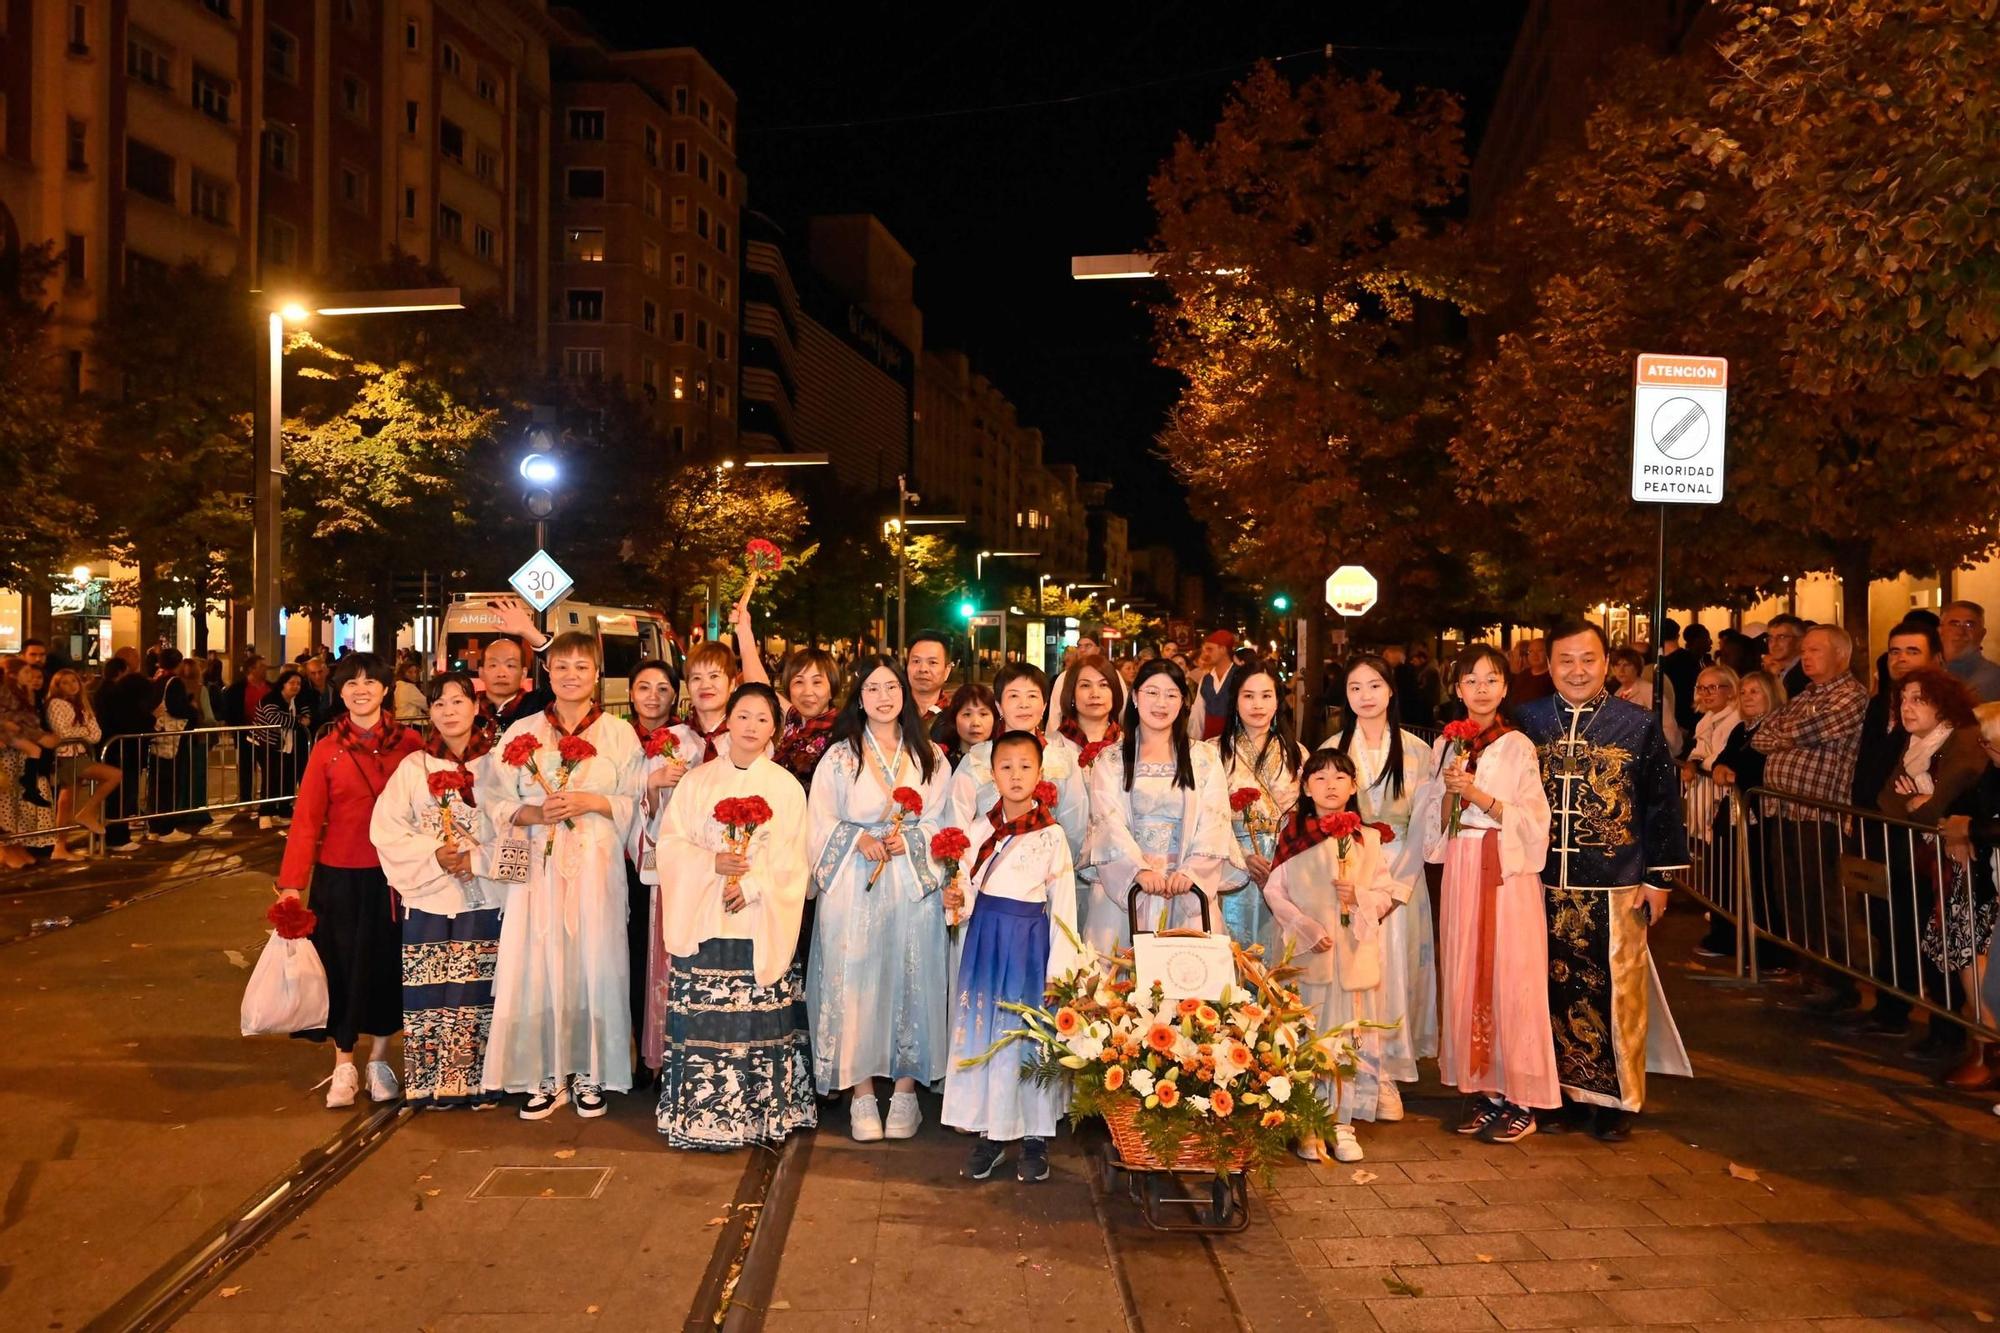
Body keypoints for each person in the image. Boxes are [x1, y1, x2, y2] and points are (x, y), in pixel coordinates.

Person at [1515, 622, 1691, 1141]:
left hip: (1615, 883)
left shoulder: (1636, 725)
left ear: (1607, 662)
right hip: (1541, 883)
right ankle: (1562, 1094)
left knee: (1618, 992)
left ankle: (1619, 1100)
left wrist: (1659, 879)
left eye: (1588, 659)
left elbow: (1662, 805)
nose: (1577, 670)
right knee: (1550, 990)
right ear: (1548, 665)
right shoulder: (1527, 721)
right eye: (1565, 660)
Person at [480, 632, 643, 1119]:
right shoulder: (523, 731)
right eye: (562, 666)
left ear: (597, 674)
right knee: (540, 960)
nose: (571, 675)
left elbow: (639, 802)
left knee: (596, 960)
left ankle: (592, 1069)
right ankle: (545, 1070)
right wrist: (532, 814)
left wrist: (592, 802)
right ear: (547, 673)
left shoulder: (618, 734)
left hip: (596, 868)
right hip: (540, 871)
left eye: (581, 666)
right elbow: (491, 795)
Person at [653, 682, 817, 1150]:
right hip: (706, 916)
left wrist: (751, 883)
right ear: (729, 719)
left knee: (756, 1022)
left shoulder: (785, 787)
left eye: (762, 719)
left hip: (757, 917)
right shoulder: (698, 780)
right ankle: (701, 1119)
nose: (751, 726)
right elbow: (671, 844)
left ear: (775, 729)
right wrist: (712, 864)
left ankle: (762, 1118)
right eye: (743, 715)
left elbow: (793, 860)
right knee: (708, 1022)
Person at [1413, 645, 1556, 1144]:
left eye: (1490, 680)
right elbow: (1433, 826)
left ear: (1504, 687)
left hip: (1505, 867)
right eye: (1470, 681)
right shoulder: (1446, 746)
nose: (1480, 689)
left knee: (1510, 973)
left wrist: (1477, 795)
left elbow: (1536, 822)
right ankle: (1485, 1089)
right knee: (1468, 973)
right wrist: (1451, 792)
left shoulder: (1517, 746)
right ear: (1457, 689)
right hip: (1463, 866)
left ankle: (1524, 1095)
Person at [806, 655, 953, 1141]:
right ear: (859, 696)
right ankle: (862, 1092)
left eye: (892, 687)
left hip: (909, 883)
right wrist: (855, 838)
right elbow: (819, 819)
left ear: (904, 694)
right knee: (855, 983)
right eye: (873, 688)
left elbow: (939, 821)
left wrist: (910, 841)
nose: (884, 697)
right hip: (854, 881)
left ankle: (907, 1092)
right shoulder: (840, 756)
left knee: (912, 978)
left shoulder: (928, 755)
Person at [274, 653, 424, 1108]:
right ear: (340, 692)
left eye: (370, 682)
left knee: (384, 964)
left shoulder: (411, 744)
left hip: (394, 874)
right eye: (351, 683)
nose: (361, 690)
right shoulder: (326, 748)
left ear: (385, 690)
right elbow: (306, 819)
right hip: (338, 874)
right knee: (338, 966)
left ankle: (380, 1059)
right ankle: (343, 1063)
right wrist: (291, 885)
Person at [942, 730, 1081, 1183]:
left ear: (1040, 773)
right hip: (986, 942)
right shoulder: (980, 829)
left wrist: (1059, 968)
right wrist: (954, 901)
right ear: (992, 773)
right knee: (985, 1034)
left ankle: (1036, 1136)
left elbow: (1063, 906)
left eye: (1025, 766)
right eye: (1006, 766)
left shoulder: (1052, 835)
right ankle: (991, 1133)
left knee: (1027, 1037)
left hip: (1028, 947)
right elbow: (965, 890)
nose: (1016, 775)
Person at [368, 672, 505, 1110]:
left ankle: (474, 1081)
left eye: (458, 701)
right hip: (428, 893)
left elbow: (518, 827)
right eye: (439, 703)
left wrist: (476, 859)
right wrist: (434, 854)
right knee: (429, 988)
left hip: (485, 892)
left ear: (475, 706)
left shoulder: (499, 765)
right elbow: (386, 828)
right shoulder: (415, 767)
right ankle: (430, 1082)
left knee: (475, 988)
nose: (449, 711)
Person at [1262, 749, 1406, 1163]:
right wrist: (1307, 928)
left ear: (1353, 787)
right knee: (1307, 1036)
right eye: (1319, 778)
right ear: (1306, 787)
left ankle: (1340, 1121)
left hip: (1352, 959)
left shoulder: (1369, 838)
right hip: (1308, 957)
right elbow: (1276, 892)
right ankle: (1307, 1119)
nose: (1330, 786)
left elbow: (1384, 894)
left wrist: (1358, 896)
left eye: (1339, 778)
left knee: (1345, 1039)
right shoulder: (1293, 836)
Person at [1329, 654, 1440, 1120]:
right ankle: (1353, 1070)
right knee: (1355, 972)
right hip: (1351, 876)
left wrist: (1398, 889)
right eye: (1356, 688)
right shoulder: (1333, 747)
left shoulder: (1417, 750)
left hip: (1398, 877)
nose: (1366, 696)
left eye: (1374, 686)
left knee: (1395, 973)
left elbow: (1425, 826)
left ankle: (1390, 1072)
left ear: (1390, 690)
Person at [1081, 658, 1240, 951]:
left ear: (1183, 701)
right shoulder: (1111, 760)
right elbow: (1107, 822)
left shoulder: (1203, 758)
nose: (1161, 703)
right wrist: (1138, 872)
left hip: (1185, 886)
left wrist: (1191, 873)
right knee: (1119, 985)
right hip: (1126, 889)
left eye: (1171, 694)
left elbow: (1215, 821)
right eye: (1152, 692)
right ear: (1135, 697)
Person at [1752, 624, 1869, 1011]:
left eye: (1816, 649)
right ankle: (1808, 971)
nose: (1806, 656)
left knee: (1823, 900)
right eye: (1805, 650)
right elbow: (1763, 734)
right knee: (1793, 896)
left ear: (1841, 655)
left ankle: (1837, 982)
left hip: (1819, 814)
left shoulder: (1851, 696)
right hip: (1784, 809)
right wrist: (1788, 734)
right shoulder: (1805, 694)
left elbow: (1812, 729)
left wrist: (1789, 734)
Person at [1841, 620, 1946, 1038]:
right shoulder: (1879, 703)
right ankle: (1891, 1003)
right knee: (1882, 918)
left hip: (1914, 834)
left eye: (1912, 651)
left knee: (1920, 923)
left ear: (1936, 658)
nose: (1900, 659)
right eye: (1895, 651)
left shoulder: (1941, 708)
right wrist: (1855, 808)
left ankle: (1943, 1025)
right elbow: (1865, 762)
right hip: (1872, 824)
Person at [1875, 669, 1989, 1044]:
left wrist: (1923, 804)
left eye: (1918, 699)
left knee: (1954, 949)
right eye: (1904, 699)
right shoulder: (1911, 745)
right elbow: (1887, 799)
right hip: (1919, 858)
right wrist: (1917, 803)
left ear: (1942, 704)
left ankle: (1961, 1035)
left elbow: (1943, 805)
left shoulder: (1963, 740)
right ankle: (1943, 1026)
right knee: (1922, 941)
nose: (1907, 708)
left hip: (1956, 864)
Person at [627, 659, 698, 1088]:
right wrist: (648, 789)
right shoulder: (617, 738)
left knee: (671, 956)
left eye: (662, 689)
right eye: (643, 687)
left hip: (672, 864)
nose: (652, 696)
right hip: (628, 861)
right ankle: (640, 1048)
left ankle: (672, 1049)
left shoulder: (687, 741)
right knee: (635, 958)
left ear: (675, 695)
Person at [947, 664, 1089, 869]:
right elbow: (957, 820)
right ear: (998, 706)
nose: (1024, 704)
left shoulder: (1063, 760)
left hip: (1046, 876)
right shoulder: (977, 759)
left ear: (1045, 704)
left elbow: (1076, 827)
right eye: (1014, 696)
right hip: (985, 874)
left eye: (1032, 696)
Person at [1214, 660, 1305, 957]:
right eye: (1248, 695)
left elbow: (1308, 816)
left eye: (1266, 695)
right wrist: (1241, 857)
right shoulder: (1212, 752)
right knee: (1235, 954)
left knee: (1281, 957)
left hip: (1286, 866)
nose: (1258, 704)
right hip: (1233, 867)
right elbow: (1205, 819)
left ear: (1278, 701)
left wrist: (1284, 858)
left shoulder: (1298, 753)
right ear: (1235, 701)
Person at [1706, 671, 1786, 964]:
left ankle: (1766, 948)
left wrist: (1734, 773)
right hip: (1734, 813)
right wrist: (1721, 768)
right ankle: (1731, 936)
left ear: (1770, 695)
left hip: (1761, 816)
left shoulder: (1774, 729)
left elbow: (1758, 767)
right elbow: (1725, 758)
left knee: (1760, 880)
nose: (1748, 697)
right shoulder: (1741, 729)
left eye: (1755, 692)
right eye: (1744, 692)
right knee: (1729, 877)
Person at [1950, 703, 2000, 1090]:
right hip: (1991, 887)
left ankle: (1988, 1048)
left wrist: (1972, 829)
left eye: (1991, 743)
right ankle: (1984, 1046)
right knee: (1979, 968)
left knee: (1985, 972)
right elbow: (1963, 806)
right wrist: (1960, 824)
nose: (1985, 749)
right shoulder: (1991, 772)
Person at [43, 667, 118, 859]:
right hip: (67, 756)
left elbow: (96, 734)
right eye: (65, 683)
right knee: (112, 776)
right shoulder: (56, 703)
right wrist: (84, 731)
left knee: (67, 800)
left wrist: (83, 732)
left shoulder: (82, 705)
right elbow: (63, 733)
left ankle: (61, 845)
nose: (71, 686)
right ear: (57, 686)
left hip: (79, 755)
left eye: (74, 681)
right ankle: (82, 817)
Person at [774, 647, 840, 790]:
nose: (807, 692)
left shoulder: (842, 731)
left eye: (817, 682)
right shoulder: (794, 719)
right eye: (798, 682)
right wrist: (744, 632)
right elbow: (760, 683)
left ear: (831, 690)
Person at [223, 655, 270, 831]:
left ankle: (267, 799)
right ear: (252, 669)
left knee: (268, 767)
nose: (265, 669)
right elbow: (230, 710)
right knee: (245, 766)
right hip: (245, 734)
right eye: (262, 666)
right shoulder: (237, 689)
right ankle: (245, 799)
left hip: (266, 735)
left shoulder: (269, 687)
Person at [475, 636, 551, 732]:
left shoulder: (538, 704)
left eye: (510, 665)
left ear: (523, 673)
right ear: (481, 673)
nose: (501, 674)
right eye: (493, 665)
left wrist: (530, 633)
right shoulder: (467, 707)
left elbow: (564, 671)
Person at [1940, 601, 2000, 703]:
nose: (1960, 632)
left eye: (1969, 625)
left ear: (1982, 633)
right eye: (1954, 624)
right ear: (1940, 630)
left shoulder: (1992, 678)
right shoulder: (1932, 670)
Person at [1186, 630, 1238, 741]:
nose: (1205, 654)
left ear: (1223, 649)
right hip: (1208, 745)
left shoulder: (1240, 676)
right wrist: (1194, 743)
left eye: (1210, 649)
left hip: (1234, 743)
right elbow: (1198, 716)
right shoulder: (1206, 680)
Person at [935, 681, 996, 769]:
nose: (975, 723)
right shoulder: (941, 763)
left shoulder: (1003, 760)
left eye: (983, 714)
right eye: (967, 714)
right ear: (954, 718)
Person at [904, 632, 953, 725]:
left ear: (947, 670)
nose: (923, 669)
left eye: (932, 662)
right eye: (916, 661)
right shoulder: (892, 711)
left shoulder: (956, 716)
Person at [1763, 614, 1812, 698]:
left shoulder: (1807, 672)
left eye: (1782, 637)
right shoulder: (1768, 670)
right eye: (1770, 638)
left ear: (1800, 640)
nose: (1774, 644)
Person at [1506, 638, 1555, 707]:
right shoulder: (1522, 676)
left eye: (1540, 651)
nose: (1534, 655)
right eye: (1531, 651)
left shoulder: (1554, 679)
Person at [392, 660, 427, 727]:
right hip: (411, 723)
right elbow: (425, 703)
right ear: (403, 673)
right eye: (410, 672)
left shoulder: (399, 685)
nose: (414, 675)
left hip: (401, 721)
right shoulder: (409, 687)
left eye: (416, 672)